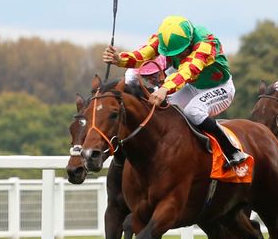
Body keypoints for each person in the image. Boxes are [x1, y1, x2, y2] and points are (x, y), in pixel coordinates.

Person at [102, 15, 247, 168]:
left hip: (219, 88)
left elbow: (188, 70)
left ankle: (232, 151)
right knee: (163, 109)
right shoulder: (163, 38)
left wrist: (165, 88)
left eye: (180, 52)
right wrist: (120, 60)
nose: (176, 56)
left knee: (193, 111)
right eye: (172, 54)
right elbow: (143, 54)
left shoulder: (206, 43)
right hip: (191, 86)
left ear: (190, 41)